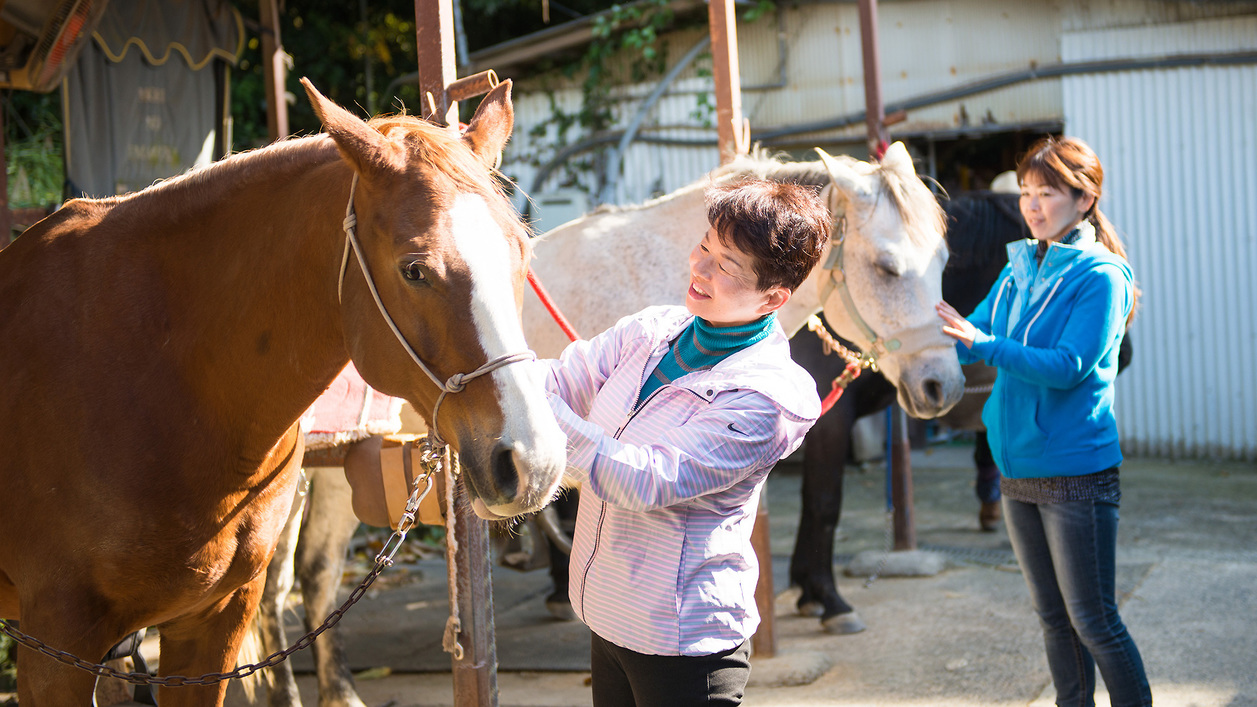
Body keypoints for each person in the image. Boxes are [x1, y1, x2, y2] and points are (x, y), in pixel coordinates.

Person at [542, 178, 829, 706]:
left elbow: (645, 478)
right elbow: (563, 378)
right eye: (705, 246)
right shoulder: (653, 330)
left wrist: (534, 417)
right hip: (608, 616)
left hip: (682, 641)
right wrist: (494, 380)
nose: (699, 268)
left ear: (775, 296)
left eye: (726, 265)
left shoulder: (768, 398)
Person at [935, 135, 1151, 706]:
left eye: (1047, 192)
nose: (1032, 204)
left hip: (1075, 472)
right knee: (1054, 621)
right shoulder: (1019, 267)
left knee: (1095, 620)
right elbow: (967, 336)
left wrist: (986, 343)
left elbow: (1069, 367)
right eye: (1026, 191)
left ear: (1084, 199)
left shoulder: (1101, 275)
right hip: (1017, 468)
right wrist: (906, 340)